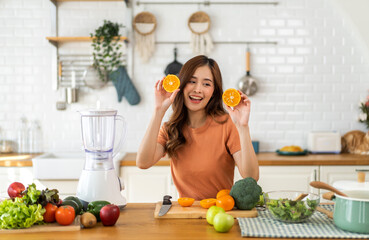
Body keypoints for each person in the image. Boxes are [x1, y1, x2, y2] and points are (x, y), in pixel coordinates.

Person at [136, 55, 259, 200]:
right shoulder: (171, 128)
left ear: (214, 91)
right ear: (181, 86)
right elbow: (143, 162)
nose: (198, 89)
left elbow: (251, 177)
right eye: (192, 81)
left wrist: (243, 127)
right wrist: (158, 111)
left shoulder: (227, 124)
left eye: (206, 84)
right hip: (186, 213)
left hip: (221, 213)